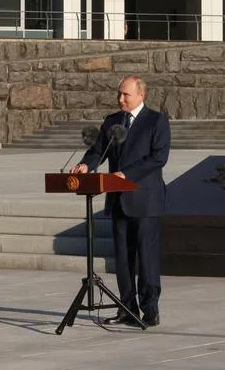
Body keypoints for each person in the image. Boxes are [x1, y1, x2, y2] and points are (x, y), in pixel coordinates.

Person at [71, 76, 171, 327]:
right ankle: (127, 308)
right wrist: (85, 165)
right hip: (118, 201)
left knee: (146, 257)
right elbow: (98, 151)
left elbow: (158, 157)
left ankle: (150, 309)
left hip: (145, 200)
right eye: (119, 94)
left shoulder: (156, 121)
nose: (120, 99)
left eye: (125, 95)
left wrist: (126, 175)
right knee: (123, 259)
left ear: (141, 95)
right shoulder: (112, 121)